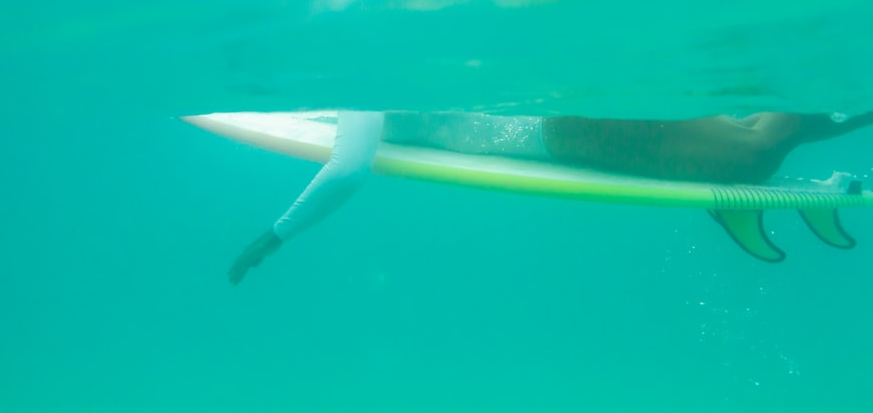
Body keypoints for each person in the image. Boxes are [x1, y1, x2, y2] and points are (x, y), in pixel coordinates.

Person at [227, 110, 873, 285]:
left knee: (756, 145)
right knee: (749, 144)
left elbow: (347, 169)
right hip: (562, 131)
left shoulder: (356, 74)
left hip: (562, 132)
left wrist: (274, 235)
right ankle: (814, 179)